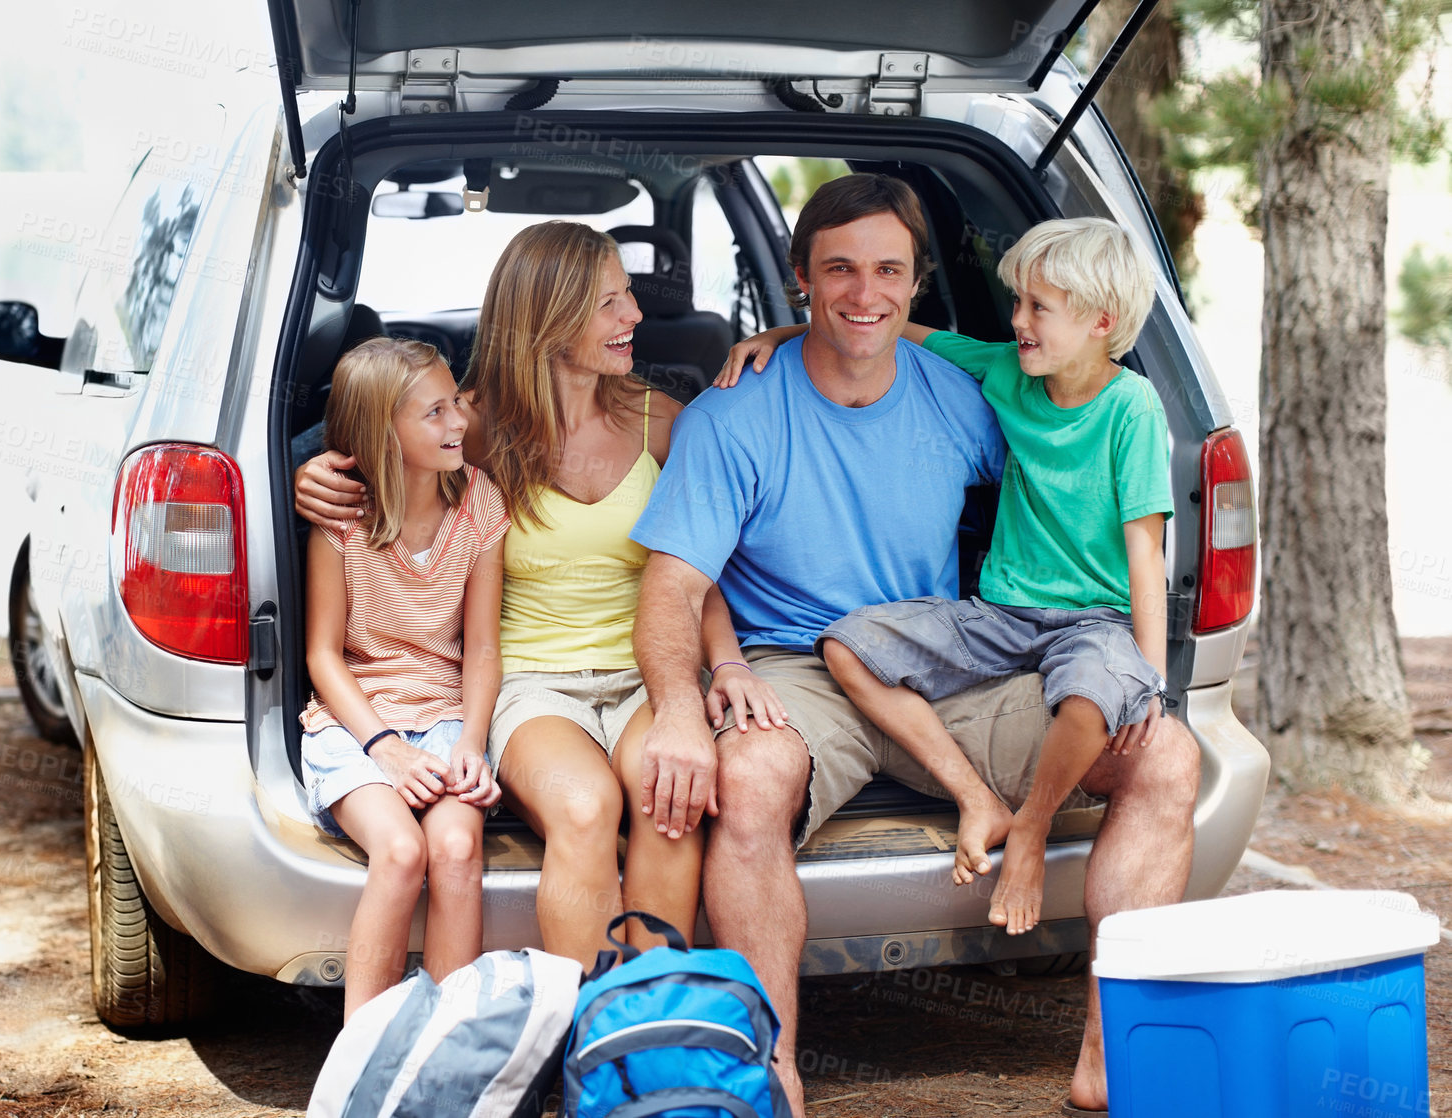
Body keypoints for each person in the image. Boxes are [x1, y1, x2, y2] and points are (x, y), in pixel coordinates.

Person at [630, 174, 1199, 1117]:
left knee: (1166, 758)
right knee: (751, 777)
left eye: (887, 270)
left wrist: (1131, 668)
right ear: (798, 280)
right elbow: (672, 589)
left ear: (915, 283)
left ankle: (1112, 1056)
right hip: (798, 671)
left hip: (948, 663)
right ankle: (771, 1070)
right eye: (839, 270)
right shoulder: (735, 415)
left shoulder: (968, 395)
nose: (865, 293)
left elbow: (1077, 439)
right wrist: (686, 711)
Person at [296, 222, 782, 967]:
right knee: (585, 808)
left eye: (628, 299)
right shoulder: (469, 428)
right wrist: (314, 471)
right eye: (610, 304)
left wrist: (727, 666)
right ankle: (588, 1026)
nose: (635, 319)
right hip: (528, 685)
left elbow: (693, 572)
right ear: (548, 318)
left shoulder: (662, 422)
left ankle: (644, 1024)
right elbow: (383, 444)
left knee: (670, 803)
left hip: (650, 675)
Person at [717, 217, 1173, 940]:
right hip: (999, 616)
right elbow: (887, 328)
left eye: (1035, 308)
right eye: (1017, 303)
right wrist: (779, 334)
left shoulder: (1132, 408)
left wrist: (1149, 678)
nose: (1015, 322)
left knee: (1091, 697)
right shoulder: (1003, 370)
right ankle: (975, 797)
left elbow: (1146, 553)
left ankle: (1030, 827)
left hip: (1093, 622)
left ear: (1100, 322)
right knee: (848, 644)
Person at [298, 336, 506, 1021]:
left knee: (453, 847)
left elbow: (479, 648)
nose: (457, 424)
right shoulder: (339, 521)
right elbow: (323, 655)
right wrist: (385, 747)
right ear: (380, 431)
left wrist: (470, 744)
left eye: (455, 405)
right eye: (434, 413)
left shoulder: (479, 502)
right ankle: (364, 1051)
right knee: (398, 850)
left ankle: (446, 1049)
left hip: (445, 712)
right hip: (355, 719)